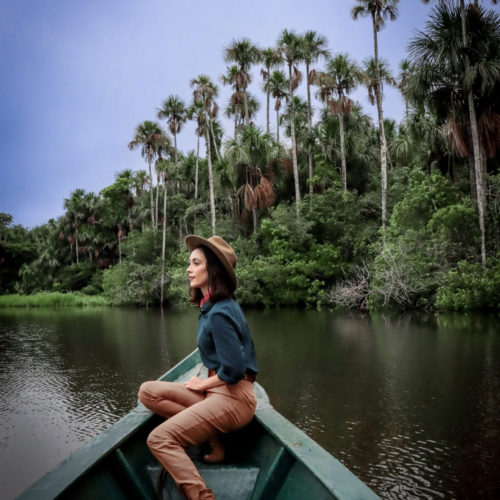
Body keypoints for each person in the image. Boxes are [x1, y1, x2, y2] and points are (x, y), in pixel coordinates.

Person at [138, 235, 258, 500]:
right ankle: (213, 439)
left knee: (159, 439)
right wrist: (206, 381)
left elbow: (236, 369)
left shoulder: (219, 313)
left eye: (195, 263)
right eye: (189, 263)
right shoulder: (211, 306)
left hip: (234, 399)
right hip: (220, 393)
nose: (188, 269)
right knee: (148, 392)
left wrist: (203, 384)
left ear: (212, 268)